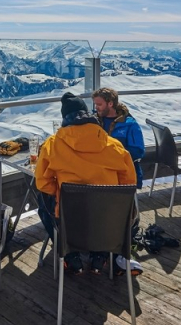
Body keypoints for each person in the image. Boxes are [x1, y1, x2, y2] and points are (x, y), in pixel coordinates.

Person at [35, 92, 137, 275]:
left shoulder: (53, 144)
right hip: (108, 219)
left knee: (43, 206)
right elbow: (128, 183)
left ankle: (68, 255)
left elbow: (42, 183)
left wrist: (59, 192)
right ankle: (101, 255)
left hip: (70, 218)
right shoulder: (114, 146)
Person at [91, 87, 145, 189]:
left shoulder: (129, 125)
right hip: (98, 174)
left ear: (110, 104)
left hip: (122, 174)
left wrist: (111, 157)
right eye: (95, 104)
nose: (96, 108)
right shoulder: (93, 122)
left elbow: (138, 151)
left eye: (99, 104)